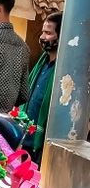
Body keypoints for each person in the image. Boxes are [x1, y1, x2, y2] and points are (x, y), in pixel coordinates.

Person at [25, 10, 61, 164]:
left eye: (48, 33)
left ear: (61, 36)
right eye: (42, 32)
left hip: (41, 146)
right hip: (25, 138)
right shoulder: (42, 64)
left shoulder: (62, 72)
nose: (42, 37)